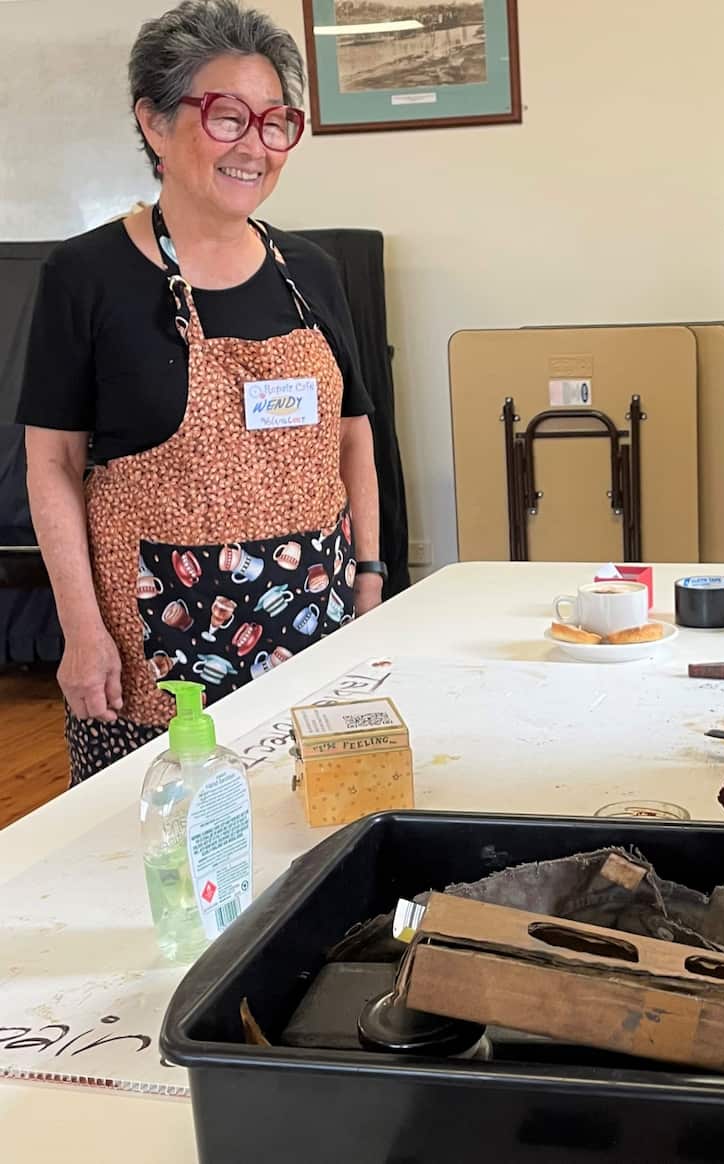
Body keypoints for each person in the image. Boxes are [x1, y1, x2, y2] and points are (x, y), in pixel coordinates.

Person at [19, 0, 384, 785]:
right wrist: (81, 631)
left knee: (313, 827)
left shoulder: (312, 272)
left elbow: (353, 433)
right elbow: (51, 463)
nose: (255, 145)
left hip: (315, 631)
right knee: (159, 839)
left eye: (275, 121)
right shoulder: (85, 276)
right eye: (226, 117)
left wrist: (370, 578)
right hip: (155, 657)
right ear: (153, 124)